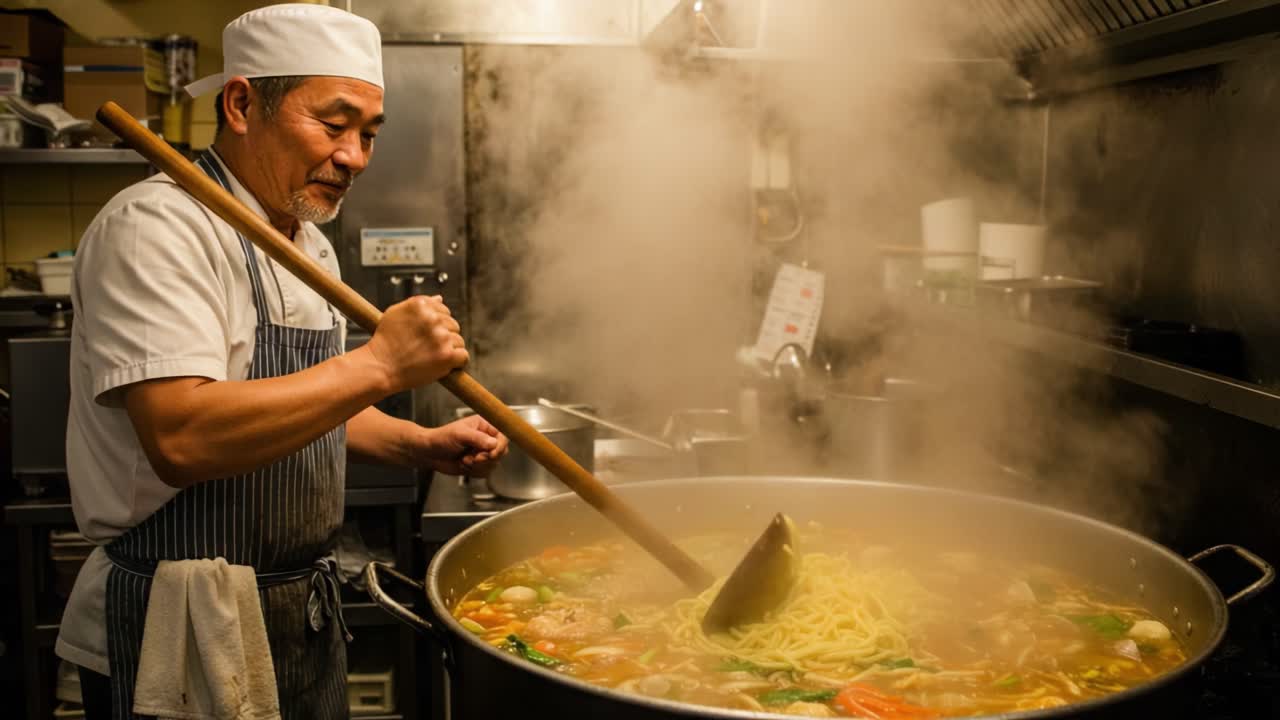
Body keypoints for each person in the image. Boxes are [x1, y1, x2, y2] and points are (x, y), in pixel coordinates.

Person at [54, 5, 508, 718]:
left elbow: (294, 407)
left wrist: (417, 445)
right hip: (179, 627)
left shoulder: (304, 243)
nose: (354, 156)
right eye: (333, 125)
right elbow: (184, 436)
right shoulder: (158, 228)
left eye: (368, 134)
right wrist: (382, 367)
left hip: (295, 613)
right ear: (241, 104)